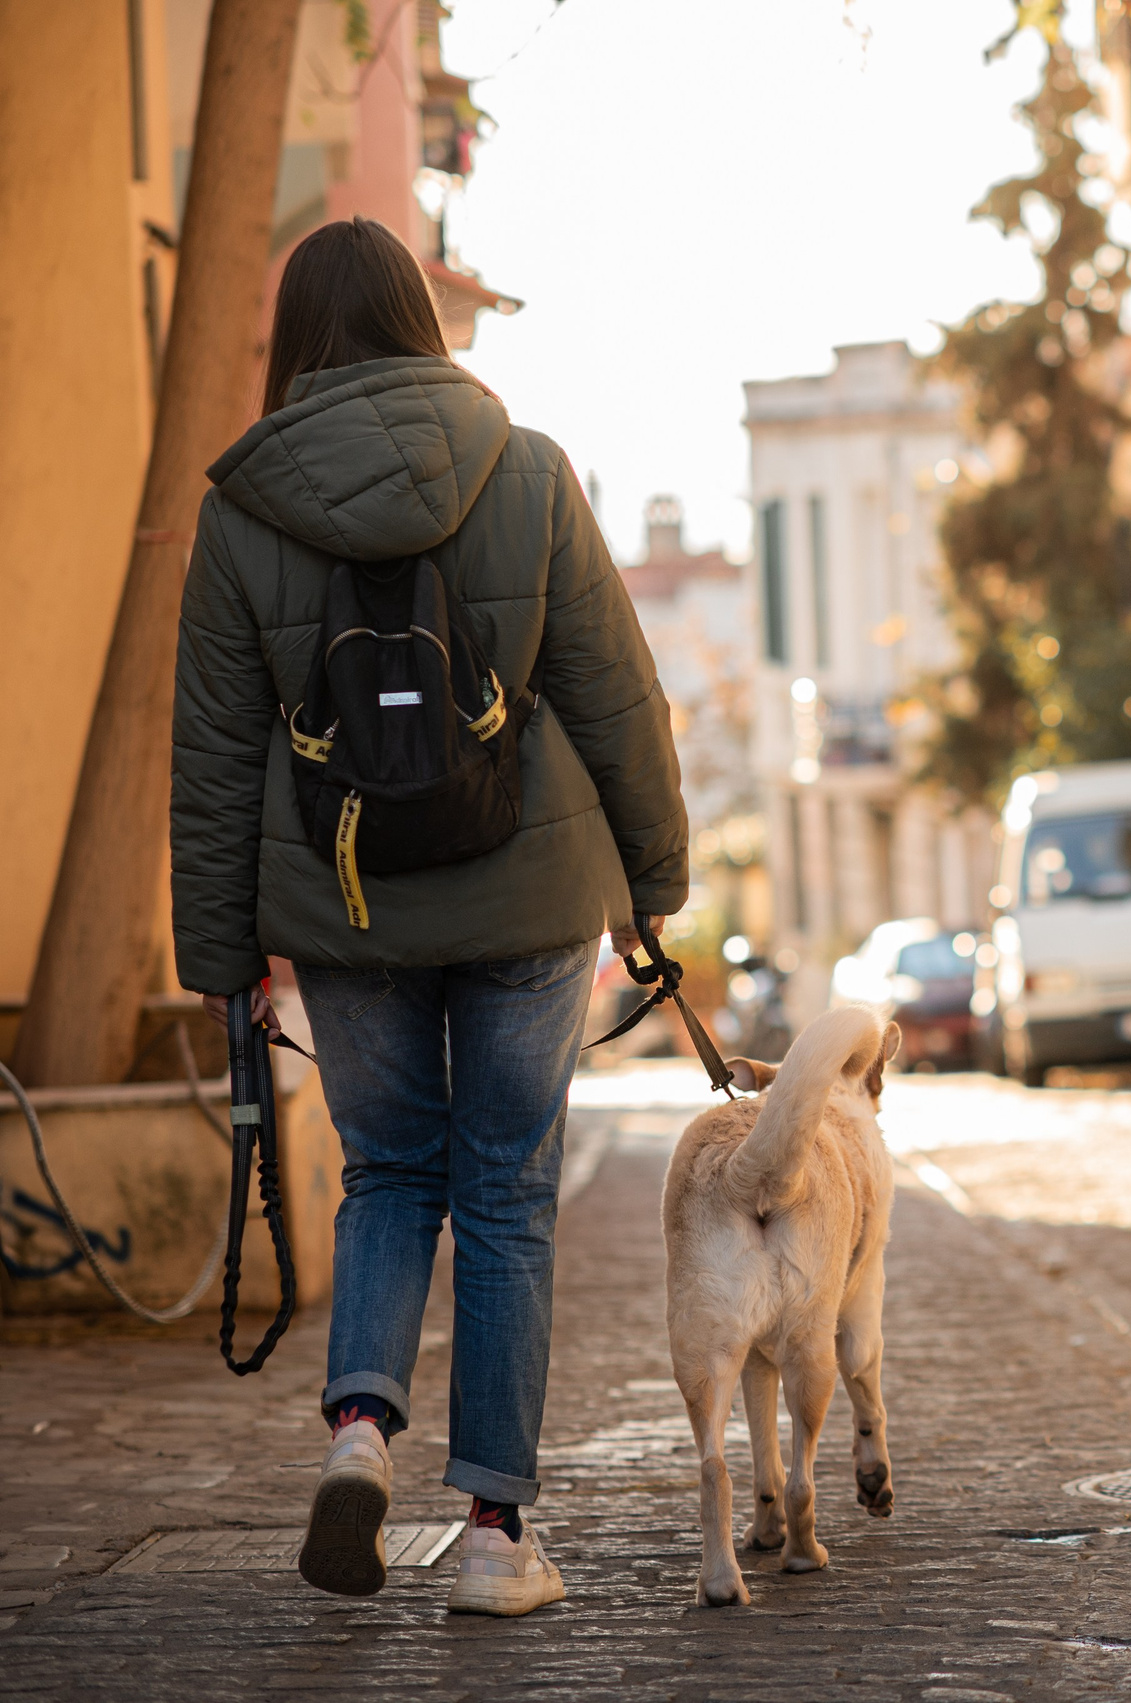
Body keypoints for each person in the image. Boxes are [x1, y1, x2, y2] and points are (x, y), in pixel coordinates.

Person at [169, 217, 686, 1615]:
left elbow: (213, 754)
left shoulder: (238, 510)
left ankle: (358, 1433)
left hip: (345, 900)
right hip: (530, 890)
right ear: (423, 319)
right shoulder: (526, 469)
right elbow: (611, 690)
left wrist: (220, 956)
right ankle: (499, 1535)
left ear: (295, 340)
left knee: (389, 1172)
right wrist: (655, 879)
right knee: (508, 1187)